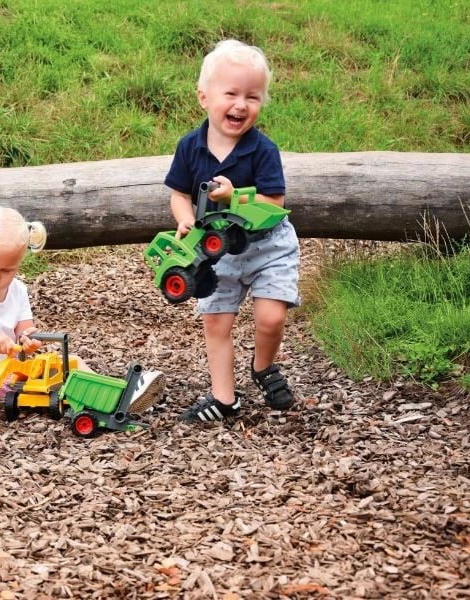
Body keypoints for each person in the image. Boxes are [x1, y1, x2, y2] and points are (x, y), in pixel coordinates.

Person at [0, 201, 165, 428]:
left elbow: (25, 329)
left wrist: (28, 340)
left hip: (8, 372)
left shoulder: (17, 290)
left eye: (6, 270)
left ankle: (120, 397)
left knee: (72, 362)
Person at [164, 39, 300, 422]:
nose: (241, 105)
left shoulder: (262, 150)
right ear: (204, 98)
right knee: (216, 320)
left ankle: (262, 366)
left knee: (271, 317)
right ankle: (224, 399)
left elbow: (274, 204)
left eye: (253, 97)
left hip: (266, 246)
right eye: (232, 94)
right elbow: (179, 193)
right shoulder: (190, 146)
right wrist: (185, 217)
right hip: (217, 250)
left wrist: (234, 196)